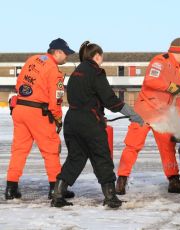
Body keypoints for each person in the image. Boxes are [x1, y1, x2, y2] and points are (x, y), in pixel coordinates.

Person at [51, 41, 144, 208]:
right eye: (102, 56)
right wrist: (132, 114)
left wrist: (97, 115)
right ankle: (110, 197)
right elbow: (110, 100)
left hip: (72, 121)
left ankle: (57, 194)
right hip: (89, 123)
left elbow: (85, 99)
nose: (102, 59)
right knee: (102, 157)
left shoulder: (75, 73)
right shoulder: (96, 72)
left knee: (75, 158)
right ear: (97, 56)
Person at [116, 38, 180, 195]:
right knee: (133, 146)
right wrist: (171, 87)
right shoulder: (159, 61)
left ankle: (173, 180)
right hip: (144, 112)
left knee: (167, 147)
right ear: (178, 51)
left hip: (162, 115)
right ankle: (121, 180)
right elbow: (151, 80)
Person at [5, 38, 75, 200]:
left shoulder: (32, 60)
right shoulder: (54, 70)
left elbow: (19, 83)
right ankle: (55, 190)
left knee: (19, 150)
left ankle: (11, 188)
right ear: (57, 52)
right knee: (51, 150)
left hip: (20, 109)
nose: (67, 58)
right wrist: (57, 118)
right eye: (66, 54)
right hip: (38, 113)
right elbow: (55, 100)